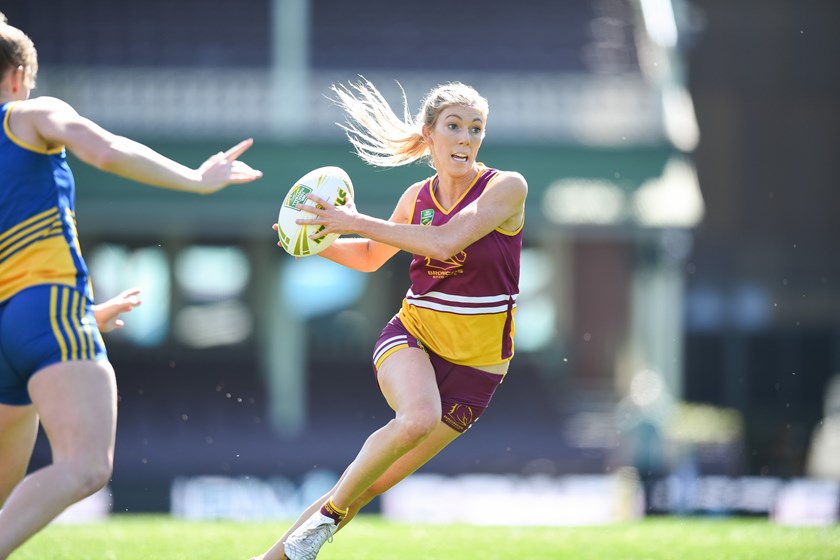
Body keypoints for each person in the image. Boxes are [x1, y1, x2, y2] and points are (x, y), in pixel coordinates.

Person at [0, 12, 262, 558]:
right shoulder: (31, 113)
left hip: (15, 325)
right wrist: (195, 179)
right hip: (46, 306)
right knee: (85, 465)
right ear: (20, 76)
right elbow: (103, 149)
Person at [255, 78, 527, 560]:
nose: (465, 138)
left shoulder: (505, 188)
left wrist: (352, 219)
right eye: (454, 126)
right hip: (412, 336)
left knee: (366, 487)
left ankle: (276, 554)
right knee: (416, 418)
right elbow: (367, 256)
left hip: (477, 373)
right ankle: (317, 530)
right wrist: (312, 242)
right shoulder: (414, 198)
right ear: (429, 134)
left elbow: (445, 241)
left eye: (475, 128)